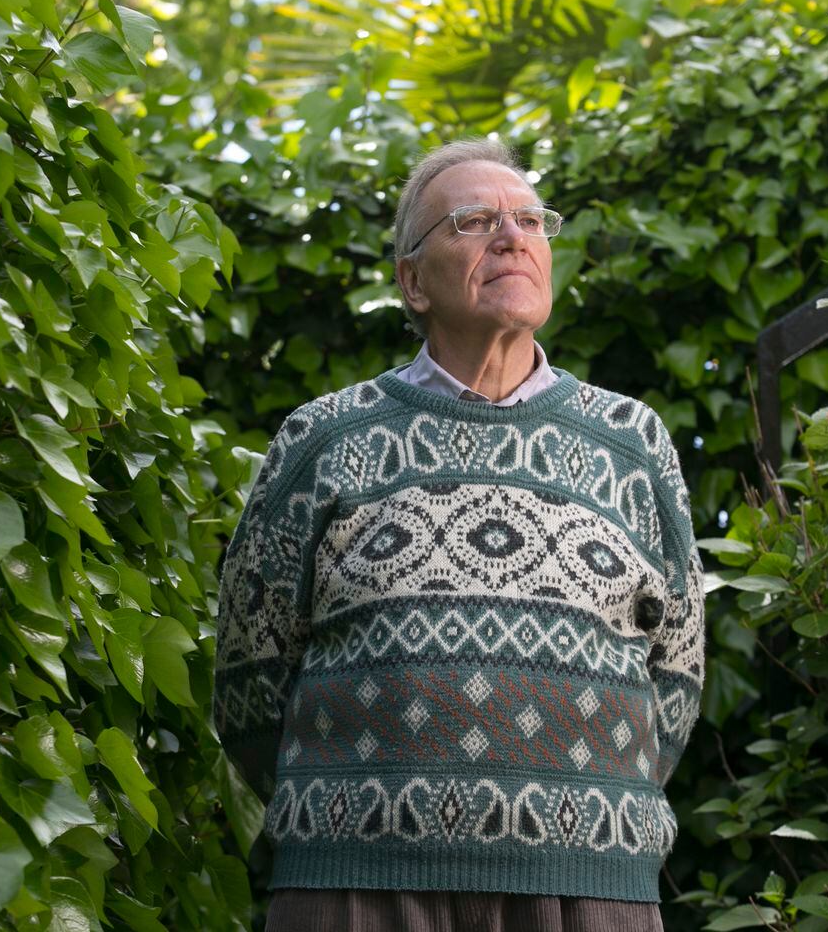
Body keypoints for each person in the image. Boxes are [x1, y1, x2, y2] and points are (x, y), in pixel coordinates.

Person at [212, 137, 705, 931]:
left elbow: (675, 678)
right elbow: (247, 682)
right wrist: (364, 815)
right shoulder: (323, 441)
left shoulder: (633, 443)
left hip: (589, 891)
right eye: (473, 221)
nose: (512, 237)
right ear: (412, 281)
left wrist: (580, 814)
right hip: (357, 888)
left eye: (531, 221)